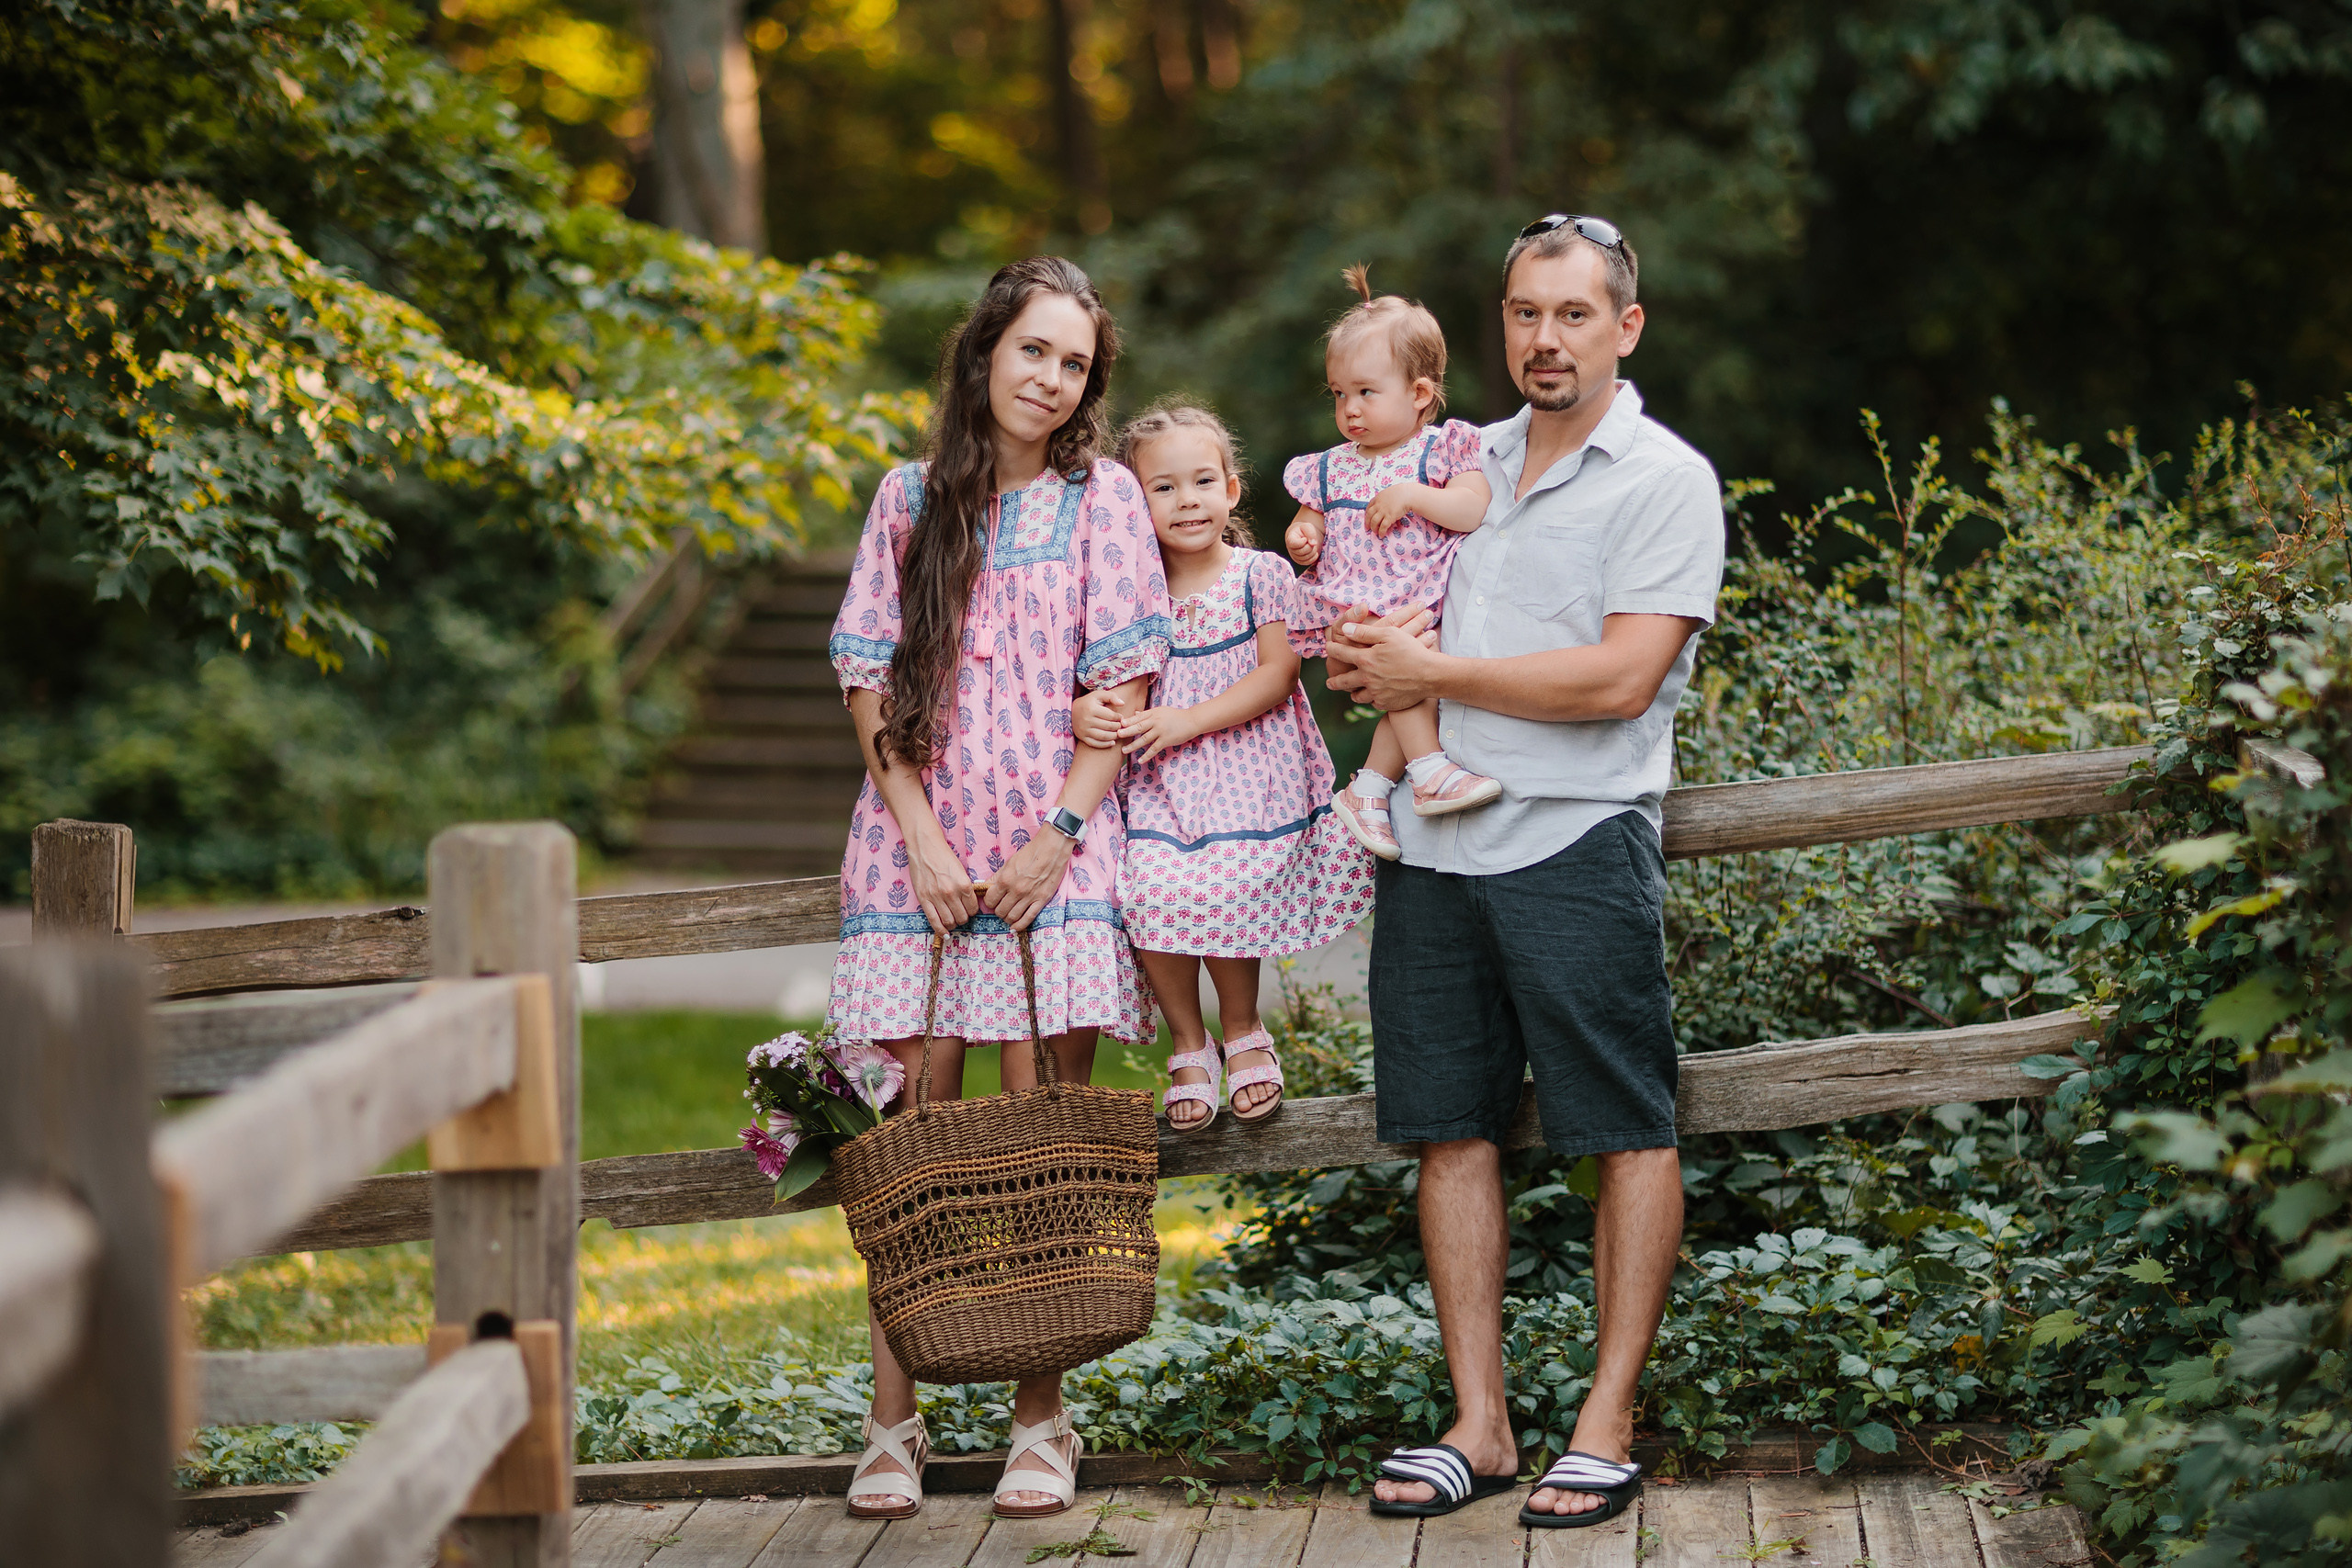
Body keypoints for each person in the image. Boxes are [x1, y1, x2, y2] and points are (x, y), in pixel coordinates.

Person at [1324, 215, 1724, 1529]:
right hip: (1432, 851)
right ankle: (1480, 1423)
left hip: (1574, 835)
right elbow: (1391, 615)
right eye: (1522, 313)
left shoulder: (1665, 479)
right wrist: (1367, 654)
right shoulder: (1458, 460)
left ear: (1627, 324)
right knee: (1449, 1125)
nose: (1542, 338)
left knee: (1623, 1121)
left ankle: (1604, 1419)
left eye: (1570, 313)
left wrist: (1429, 675)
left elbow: (1620, 679)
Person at [825, 256, 1171, 1522]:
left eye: (1074, 361)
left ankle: (1042, 1409)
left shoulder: (1105, 500)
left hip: (1047, 860)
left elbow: (1123, 676)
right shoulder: (909, 498)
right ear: (982, 354)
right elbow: (870, 674)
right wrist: (918, 837)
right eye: (1033, 349)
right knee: (906, 1146)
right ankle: (894, 1416)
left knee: (1042, 1139)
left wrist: (1058, 835)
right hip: (915, 856)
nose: (1051, 377)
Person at [1071, 401, 1374, 1134]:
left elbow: (1277, 674)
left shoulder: (1258, 574)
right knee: (1146, 889)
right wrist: (1085, 711)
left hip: (1248, 772)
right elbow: (1092, 684)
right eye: (1164, 488)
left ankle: (1241, 1030)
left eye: (1203, 481)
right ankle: (1189, 1040)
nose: (1187, 501)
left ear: (1232, 490)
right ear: (1135, 505)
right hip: (1160, 783)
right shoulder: (1129, 594)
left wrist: (1186, 720)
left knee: (1228, 882)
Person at [1279, 265, 1496, 857]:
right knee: (1408, 678)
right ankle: (1427, 770)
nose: (1350, 409)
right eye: (1340, 394)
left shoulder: (1441, 449)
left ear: (1419, 394)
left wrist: (1414, 496)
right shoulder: (1330, 465)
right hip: (1355, 602)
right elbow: (1310, 520)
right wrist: (1304, 536)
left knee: (1412, 680)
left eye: (1366, 392)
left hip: (1419, 598)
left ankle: (1369, 790)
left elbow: (1472, 508)